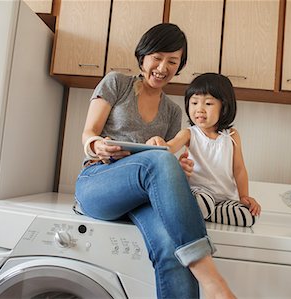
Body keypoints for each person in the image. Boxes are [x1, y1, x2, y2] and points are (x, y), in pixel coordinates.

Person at [75, 24, 236, 299]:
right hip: (99, 183)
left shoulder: (173, 112)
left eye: (172, 61)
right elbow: (88, 133)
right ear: (143, 57)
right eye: (157, 58)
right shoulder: (117, 83)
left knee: (172, 248)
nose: (163, 67)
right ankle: (212, 282)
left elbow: (165, 169)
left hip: (143, 199)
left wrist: (180, 169)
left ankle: (204, 278)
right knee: (157, 160)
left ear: (179, 66)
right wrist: (97, 145)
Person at [148, 73, 261, 227]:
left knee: (249, 216)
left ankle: (208, 213)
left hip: (225, 198)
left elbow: (239, 169)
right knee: (201, 201)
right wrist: (158, 142)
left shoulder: (232, 135)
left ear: (224, 106)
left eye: (208, 104)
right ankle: (204, 210)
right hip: (198, 192)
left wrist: (244, 196)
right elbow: (171, 146)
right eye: (194, 103)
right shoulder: (190, 133)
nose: (199, 109)